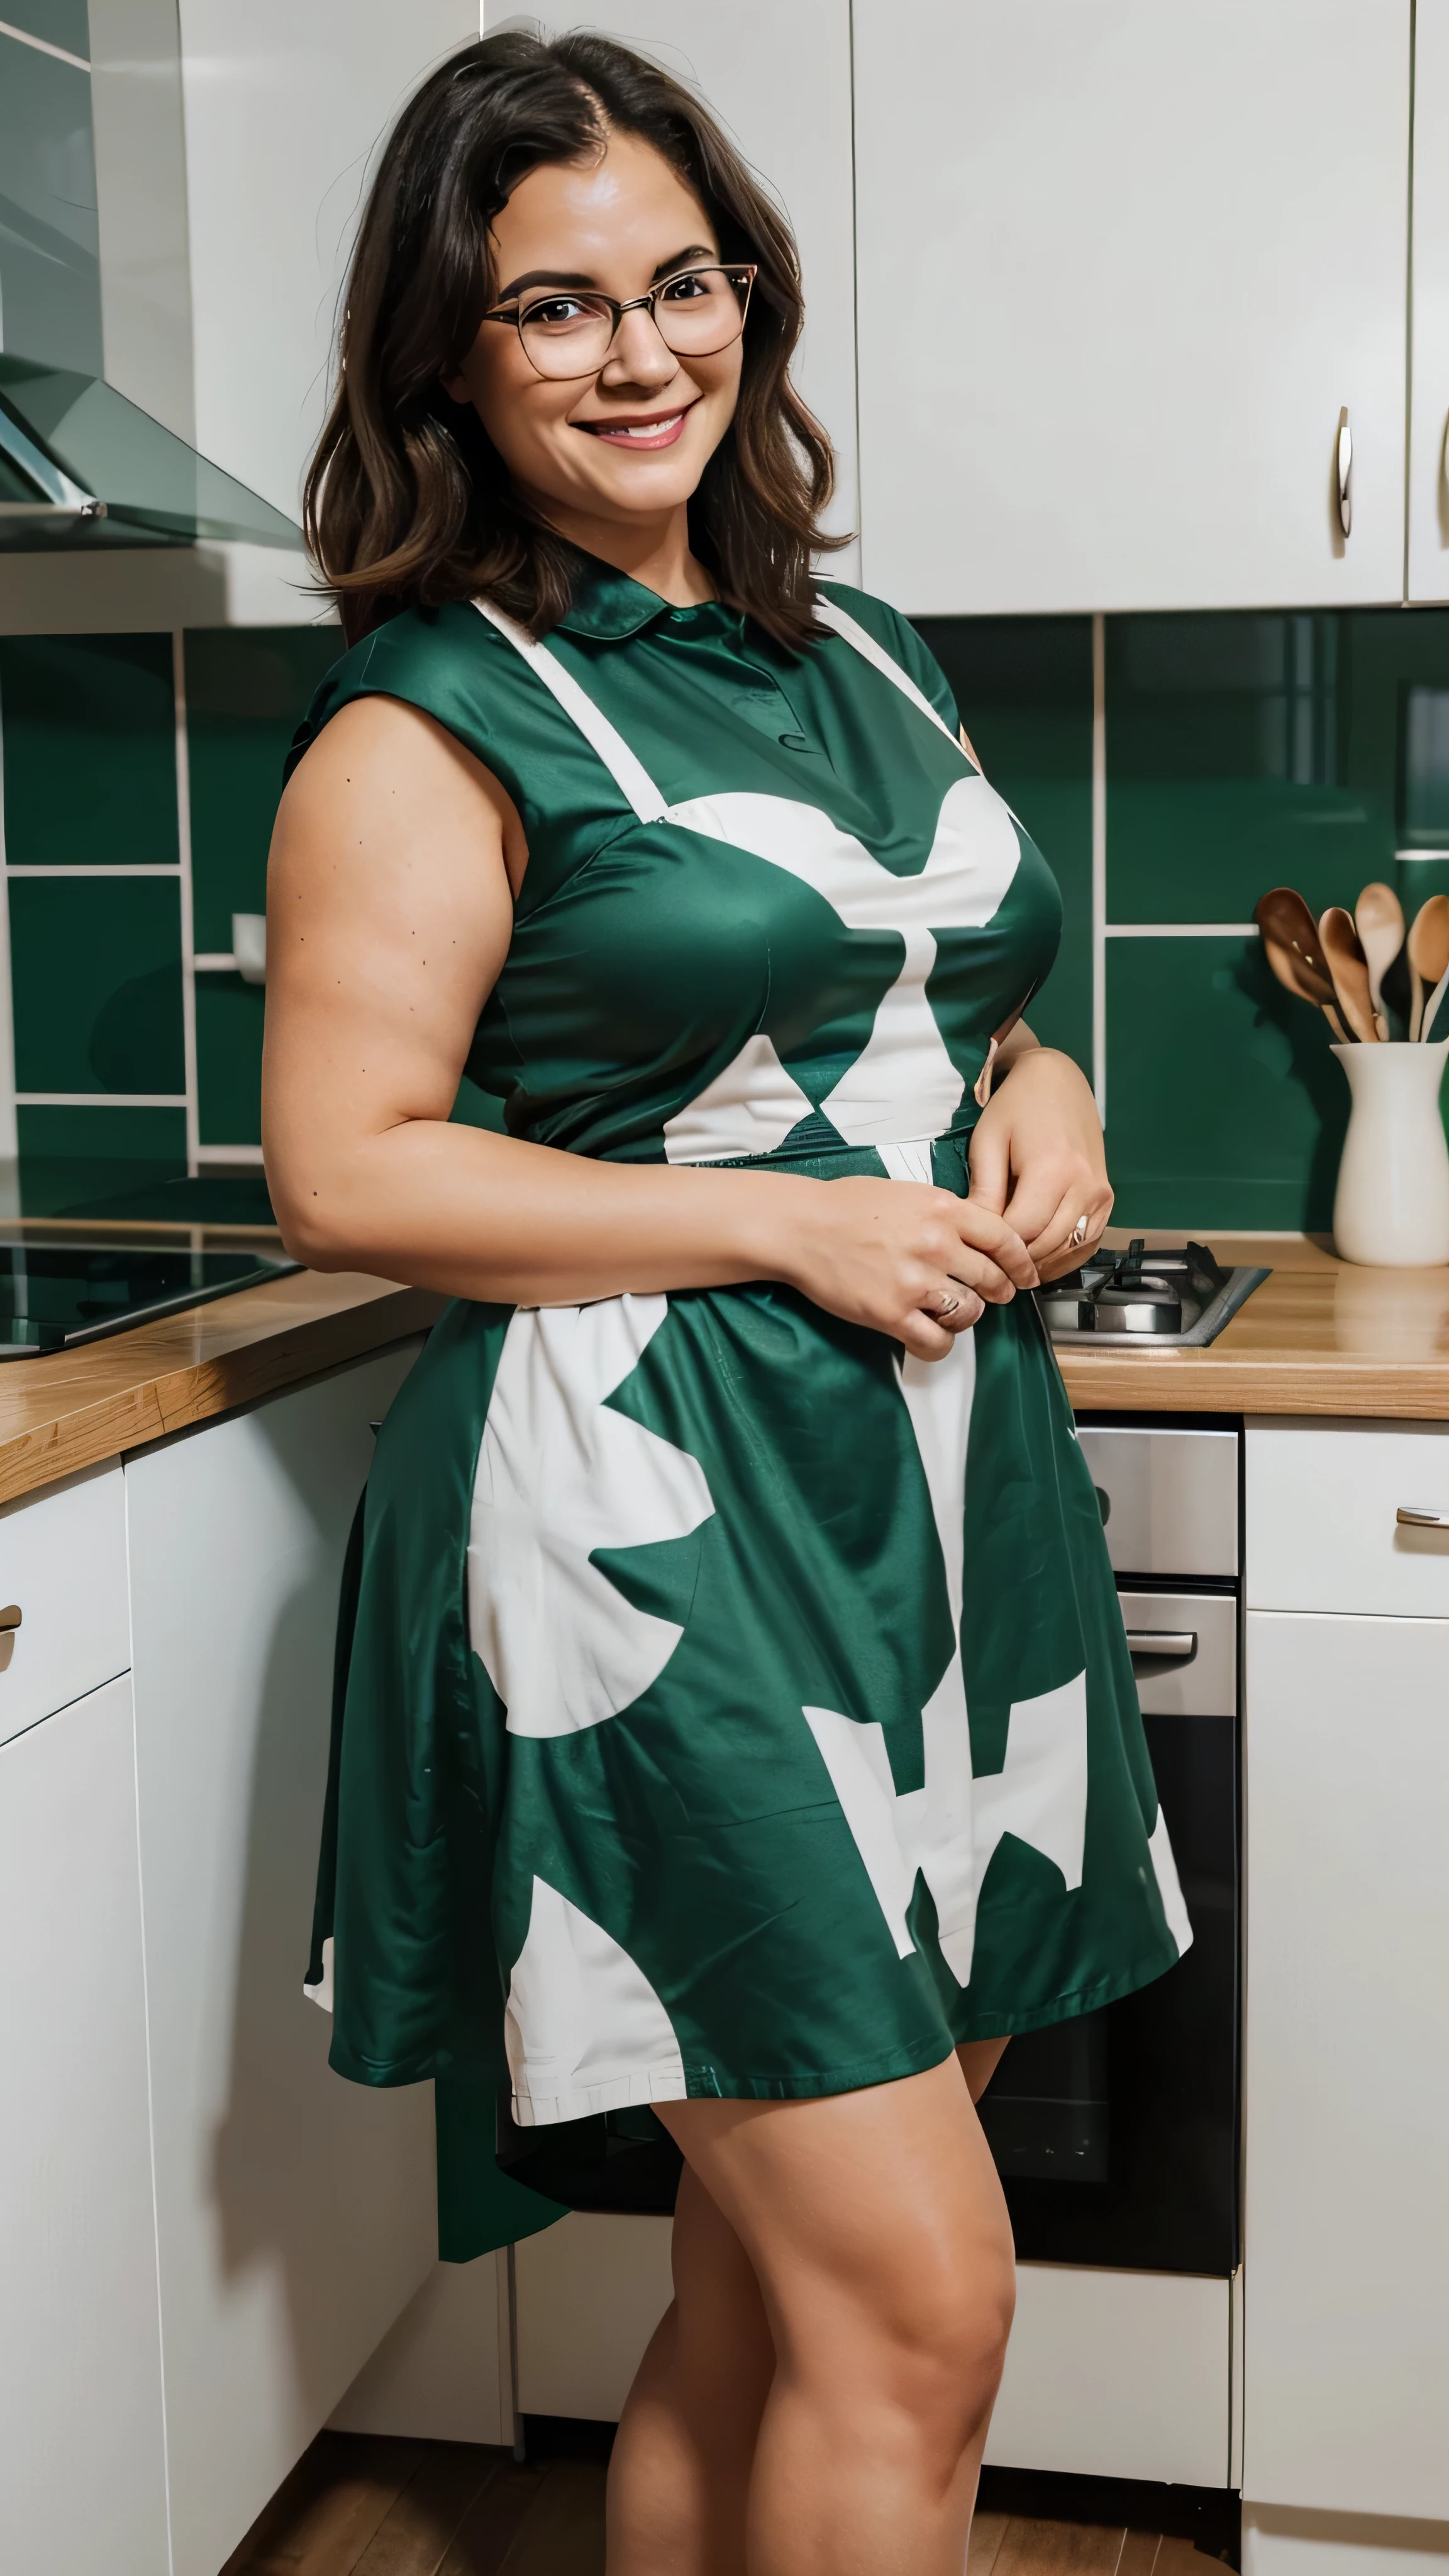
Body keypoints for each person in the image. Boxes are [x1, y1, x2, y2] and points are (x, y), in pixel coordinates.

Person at [263, 30, 1190, 2576]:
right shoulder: (426, 714)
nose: (643, 350)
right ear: (447, 347)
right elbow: (349, 1166)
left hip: (929, 1501)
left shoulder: (859, 648)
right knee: (918, 2311)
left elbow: (936, 990)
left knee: (773, 2295)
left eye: (685, 283)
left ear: (750, 300)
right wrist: (785, 1227)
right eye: (554, 307)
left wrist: (1062, 1098)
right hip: (652, 1528)